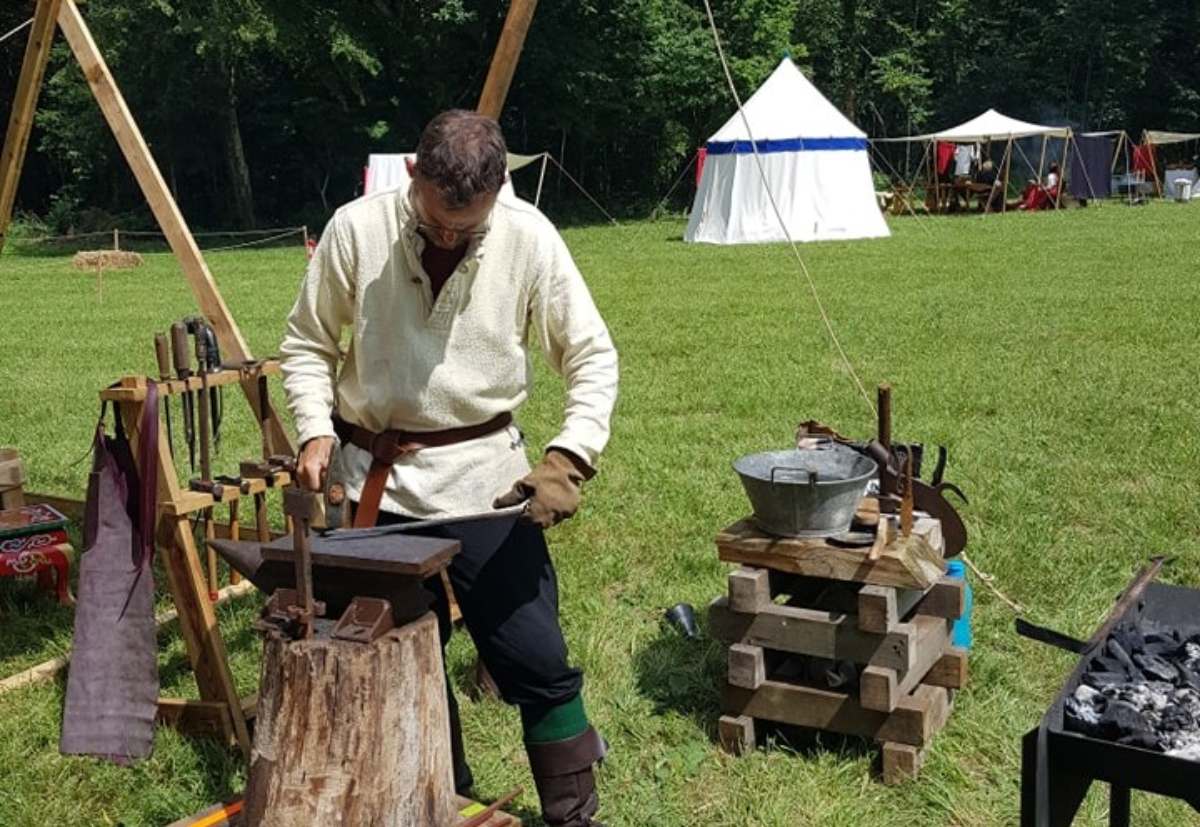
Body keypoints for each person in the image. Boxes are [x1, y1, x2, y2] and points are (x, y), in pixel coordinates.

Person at [279, 109, 619, 827]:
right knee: (405, 659)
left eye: (467, 227)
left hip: (488, 485)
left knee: (538, 658)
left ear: (497, 191)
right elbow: (308, 344)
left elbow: (592, 356)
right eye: (436, 221)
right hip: (377, 486)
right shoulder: (356, 229)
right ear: (414, 174)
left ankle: (573, 815)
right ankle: (443, 802)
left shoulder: (529, 237)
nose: (448, 237)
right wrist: (314, 431)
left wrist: (570, 455)